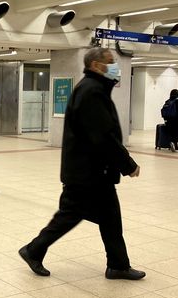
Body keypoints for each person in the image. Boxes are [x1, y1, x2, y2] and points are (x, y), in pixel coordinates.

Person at [19, 48, 145, 281]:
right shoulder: (92, 91)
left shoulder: (93, 89)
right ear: (96, 66)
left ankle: (118, 265)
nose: (115, 66)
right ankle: (33, 249)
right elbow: (104, 136)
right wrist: (128, 165)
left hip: (92, 172)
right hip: (88, 173)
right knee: (70, 215)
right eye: (111, 62)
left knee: (109, 218)